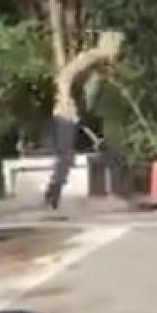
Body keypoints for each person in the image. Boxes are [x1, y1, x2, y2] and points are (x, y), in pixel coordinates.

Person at [45, 30, 124, 210]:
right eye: (118, 49)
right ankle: (53, 193)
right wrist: (66, 100)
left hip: (81, 113)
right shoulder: (89, 58)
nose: (119, 53)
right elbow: (64, 76)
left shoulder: (98, 61)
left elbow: (102, 76)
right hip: (67, 113)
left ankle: (117, 191)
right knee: (66, 157)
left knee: (106, 146)